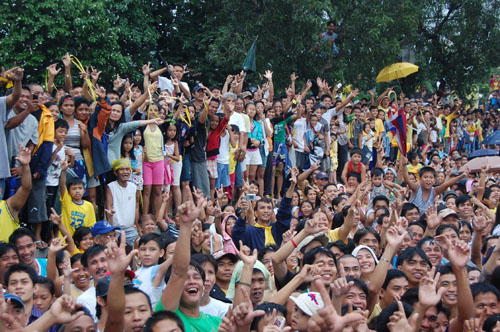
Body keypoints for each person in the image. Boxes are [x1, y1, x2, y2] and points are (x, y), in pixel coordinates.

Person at [0, 144, 32, 242]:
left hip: (8, 256)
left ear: (0, 190)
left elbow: (26, 188)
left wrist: (25, 166)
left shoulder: (8, 206)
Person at [105, 158, 140, 248]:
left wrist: (136, 224)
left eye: (127, 169)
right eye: (121, 169)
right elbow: (109, 208)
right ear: (116, 173)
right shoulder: (111, 187)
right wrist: (111, 228)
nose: (125, 172)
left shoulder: (134, 187)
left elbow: (136, 206)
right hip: (115, 228)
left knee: (135, 250)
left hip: (130, 228)